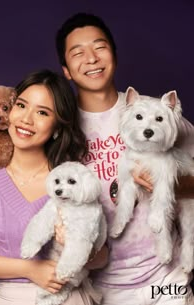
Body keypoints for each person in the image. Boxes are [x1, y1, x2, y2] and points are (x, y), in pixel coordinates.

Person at [55, 13, 194, 304]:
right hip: (104, 288)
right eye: (78, 53)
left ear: (114, 54)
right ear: (66, 70)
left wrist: (173, 185)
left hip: (167, 279)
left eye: (99, 46)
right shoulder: (61, 132)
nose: (91, 58)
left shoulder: (158, 114)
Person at [0, 69, 108, 305]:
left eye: (42, 112)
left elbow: (103, 256)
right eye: (21, 105)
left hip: (67, 298)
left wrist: (81, 248)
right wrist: (30, 269)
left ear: (58, 126)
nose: (26, 119)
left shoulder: (72, 180)